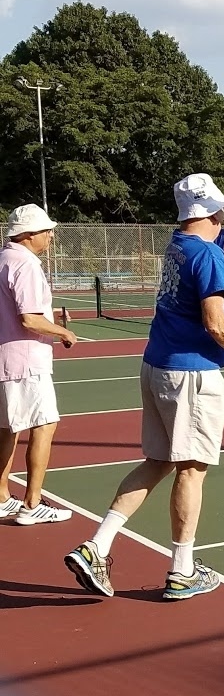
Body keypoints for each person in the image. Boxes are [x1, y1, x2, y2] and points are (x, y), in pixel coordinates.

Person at [65, 161, 224, 600]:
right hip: (191, 375)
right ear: (213, 211)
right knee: (192, 469)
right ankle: (182, 570)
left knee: (158, 461)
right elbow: (214, 322)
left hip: (156, 366)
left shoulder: (180, 244)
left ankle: (97, 546)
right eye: (222, 210)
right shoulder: (208, 254)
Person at [0, 204, 78, 524]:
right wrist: (63, 331)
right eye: (47, 231)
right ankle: (32, 504)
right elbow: (29, 319)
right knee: (44, 424)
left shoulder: (3, 258)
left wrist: (52, 317)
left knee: (7, 428)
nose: (50, 236)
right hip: (27, 360)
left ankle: (2, 496)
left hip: (5, 359)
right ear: (30, 234)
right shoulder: (27, 264)